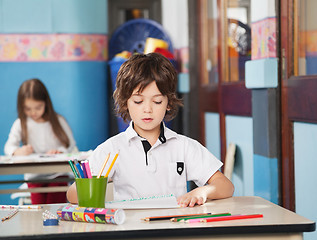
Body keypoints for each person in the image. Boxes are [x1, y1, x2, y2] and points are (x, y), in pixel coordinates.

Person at [67, 53, 234, 207]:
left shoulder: (183, 146)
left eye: (157, 102)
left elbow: (226, 186)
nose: (147, 109)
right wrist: (92, 187)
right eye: (138, 101)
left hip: (173, 228)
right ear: (125, 102)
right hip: (129, 230)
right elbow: (72, 194)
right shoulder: (112, 149)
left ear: (168, 103)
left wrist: (202, 191)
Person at [4, 78, 77, 204]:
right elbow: (8, 147)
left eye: (38, 107)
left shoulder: (58, 121)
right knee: (38, 209)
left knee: (55, 207)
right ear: (21, 107)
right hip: (34, 176)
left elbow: (70, 145)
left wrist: (59, 151)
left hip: (57, 175)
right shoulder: (21, 124)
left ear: (46, 103)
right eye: (28, 108)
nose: (33, 112)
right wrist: (18, 151)